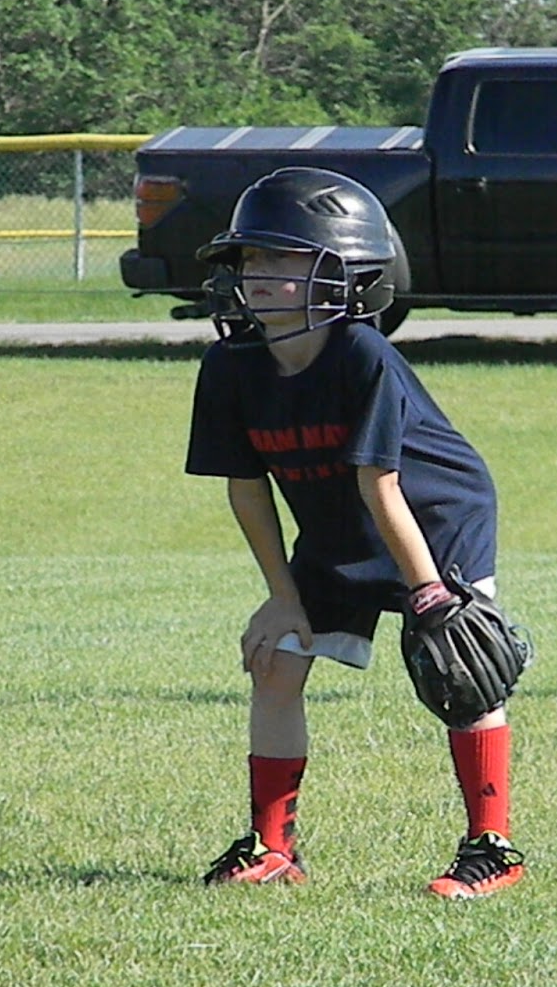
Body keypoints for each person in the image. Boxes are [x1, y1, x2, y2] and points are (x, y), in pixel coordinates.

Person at [185, 166, 526, 899]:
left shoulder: (361, 355)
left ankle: (492, 847)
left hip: (433, 521)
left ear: (343, 272)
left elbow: (384, 483)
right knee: (276, 664)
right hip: (338, 525)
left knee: (463, 671)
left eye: (282, 258)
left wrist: (431, 593)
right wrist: (282, 598)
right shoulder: (229, 366)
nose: (258, 274)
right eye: (250, 259)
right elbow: (247, 490)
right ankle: (273, 848)